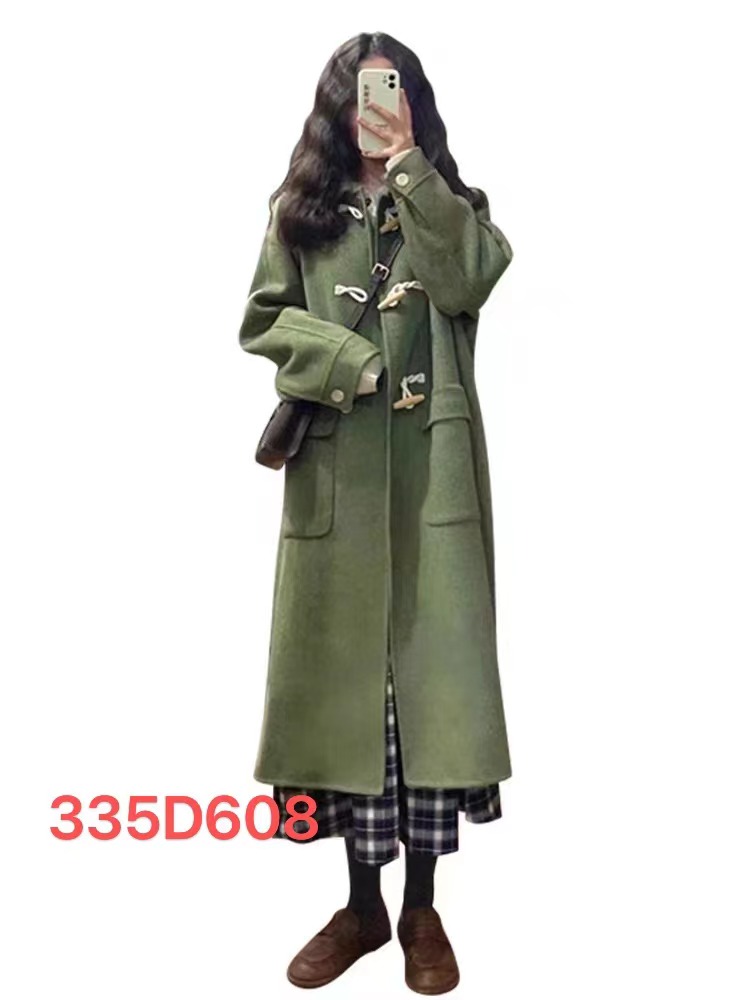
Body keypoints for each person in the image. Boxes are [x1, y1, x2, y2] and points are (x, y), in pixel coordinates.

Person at [238, 31, 514, 995]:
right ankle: (360, 908)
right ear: (332, 106)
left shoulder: (452, 206)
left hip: (435, 475)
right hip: (338, 476)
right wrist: (349, 361)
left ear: (413, 102)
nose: (374, 108)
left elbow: (470, 278)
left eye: (389, 92)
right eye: (360, 95)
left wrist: (409, 170)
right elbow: (263, 319)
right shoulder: (299, 215)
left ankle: (421, 910)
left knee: (432, 696)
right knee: (347, 698)